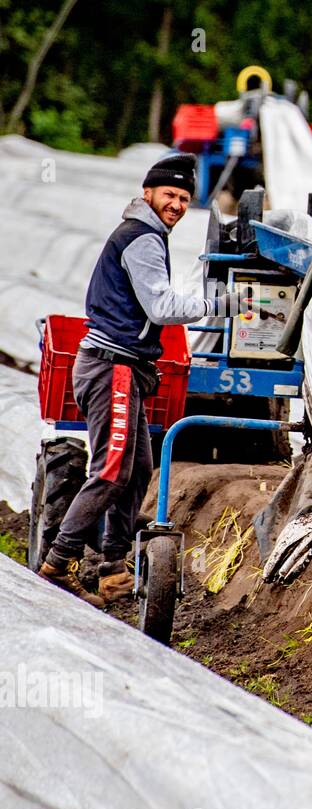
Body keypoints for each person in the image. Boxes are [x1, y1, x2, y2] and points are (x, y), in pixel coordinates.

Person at [38, 154, 252, 606]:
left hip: (126, 366)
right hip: (110, 366)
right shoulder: (142, 238)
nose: (176, 204)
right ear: (148, 193)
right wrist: (222, 305)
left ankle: (113, 567)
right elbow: (160, 308)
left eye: (183, 198)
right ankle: (59, 561)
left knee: (138, 466)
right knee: (112, 468)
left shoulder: (150, 235)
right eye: (169, 195)